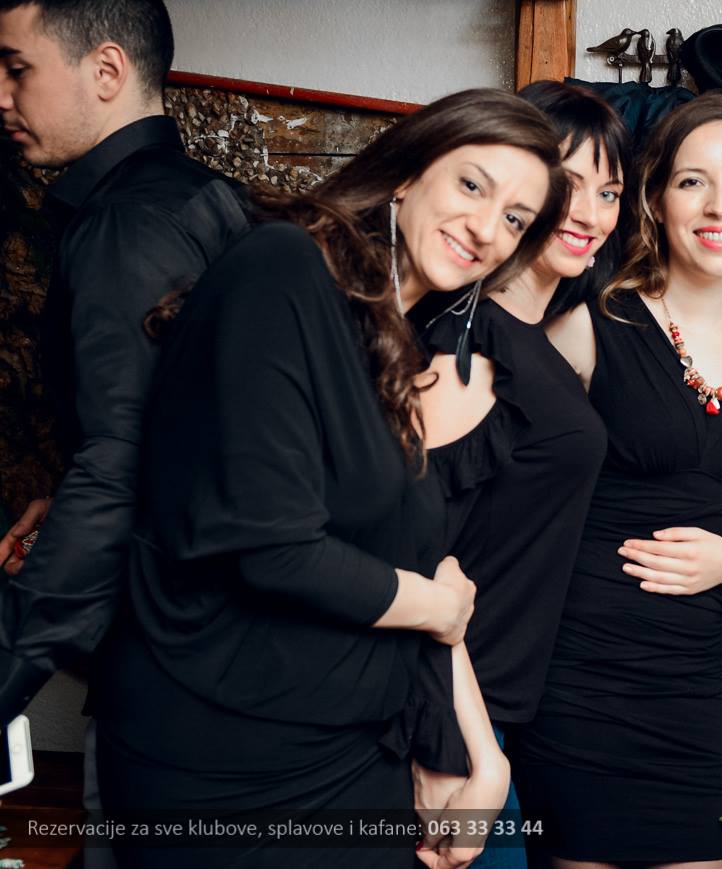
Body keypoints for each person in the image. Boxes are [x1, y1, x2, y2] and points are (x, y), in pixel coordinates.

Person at [90, 88, 569, 869]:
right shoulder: (284, 268)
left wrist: (484, 757)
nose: (488, 228)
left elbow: (408, 561)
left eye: (516, 219)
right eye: (472, 185)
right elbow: (273, 549)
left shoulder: (394, 344)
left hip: (348, 748)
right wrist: (440, 608)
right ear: (408, 172)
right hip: (228, 759)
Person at [516, 91, 722, 868]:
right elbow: (504, 492)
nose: (720, 205)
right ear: (654, 199)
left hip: (693, 687)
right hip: (578, 677)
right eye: (692, 181)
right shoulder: (592, 322)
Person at [0, 0, 246, 718]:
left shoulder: (128, 222)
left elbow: (123, 462)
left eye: (17, 68)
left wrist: (8, 671)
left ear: (107, 70)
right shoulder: (203, 195)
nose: (2, 96)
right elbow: (185, 437)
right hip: (220, 648)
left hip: (177, 663)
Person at [411, 80, 632, 869]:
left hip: (500, 716)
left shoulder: (547, 337)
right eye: (569, 184)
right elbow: (415, 551)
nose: (589, 212)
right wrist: (469, 750)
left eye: (609, 193)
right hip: (448, 722)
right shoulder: (464, 342)